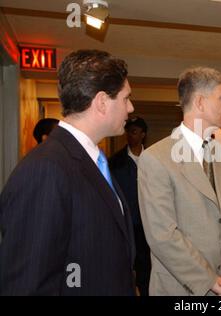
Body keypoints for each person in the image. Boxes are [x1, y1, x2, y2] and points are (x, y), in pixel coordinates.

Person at [0, 49, 136, 295]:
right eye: (126, 98)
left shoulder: (89, 159)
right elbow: (28, 284)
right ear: (102, 102)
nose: (130, 108)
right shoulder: (47, 168)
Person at [138, 67, 221, 296]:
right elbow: (163, 235)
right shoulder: (155, 158)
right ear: (200, 102)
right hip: (180, 288)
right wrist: (210, 280)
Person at [109, 116, 151, 296]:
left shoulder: (154, 159)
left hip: (150, 222)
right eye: (128, 131)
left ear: (143, 134)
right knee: (126, 264)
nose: (130, 135)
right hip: (127, 223)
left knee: (147, 266)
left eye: (134, 132)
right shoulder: (115, 162)